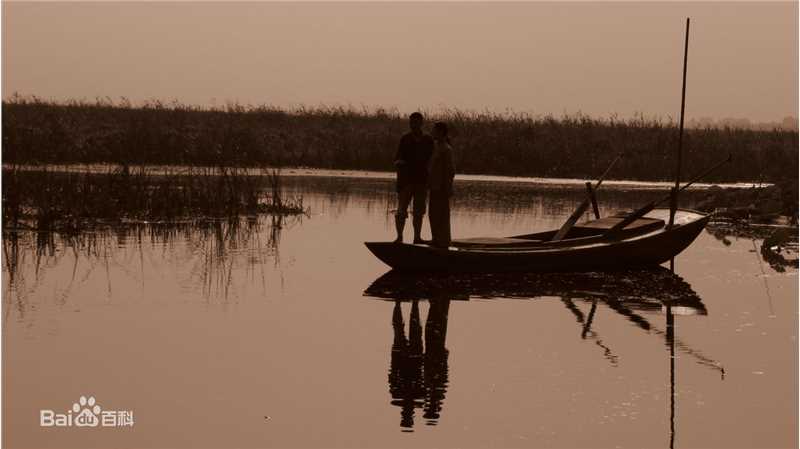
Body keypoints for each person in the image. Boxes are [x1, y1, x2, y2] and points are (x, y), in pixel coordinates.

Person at [394, 112, 434, 244]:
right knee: (401, 211)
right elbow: (398, 158)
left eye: (416, 122)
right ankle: (399, 237)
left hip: (421, 180)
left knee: (418, 212)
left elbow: (432, 160)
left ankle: (417, 237)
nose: (413, 125)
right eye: (411, 123)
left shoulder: (428, 140)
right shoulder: (405, 138)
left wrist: (430, 178)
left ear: (421, 123)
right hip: (406, 181)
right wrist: (399, 164)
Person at [427, 122, 455, 248]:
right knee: (433, 213)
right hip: (434, 186)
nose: (433, 132)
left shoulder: (446, 149)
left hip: (442, 187)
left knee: (442, 214)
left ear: (441, 132)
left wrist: (447, 187)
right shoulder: (435, 147)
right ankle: (436, 238)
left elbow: (450, 171)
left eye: (435, 130)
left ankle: (443, 241)